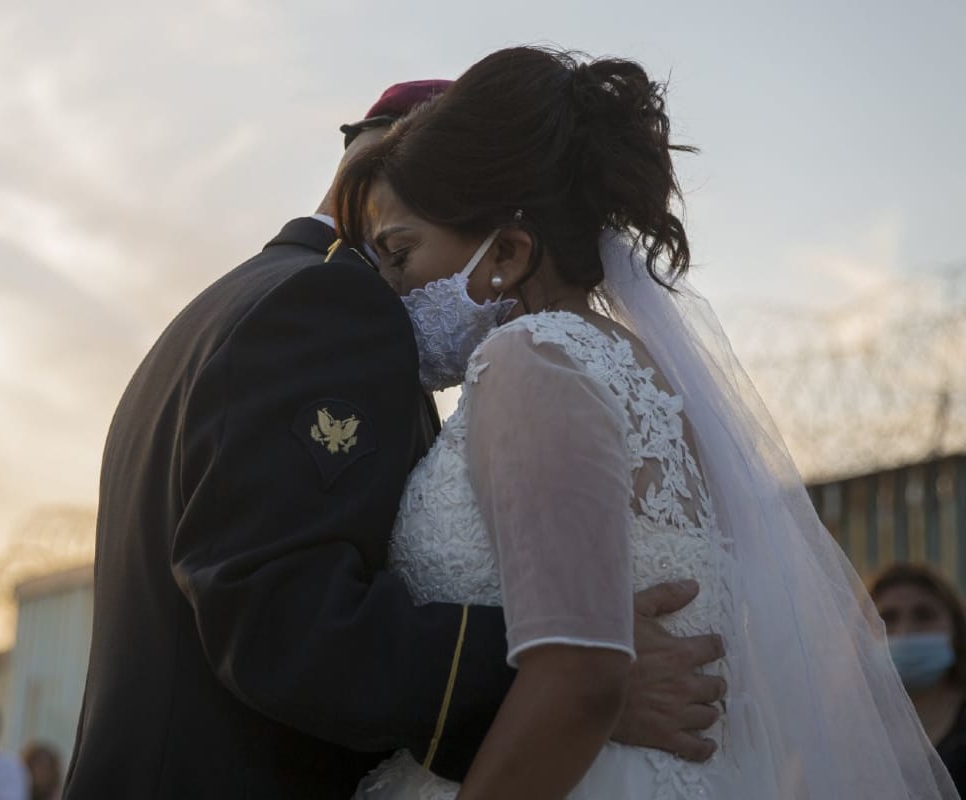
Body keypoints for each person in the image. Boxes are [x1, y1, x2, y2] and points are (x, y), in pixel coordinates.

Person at [62, 80, 726, 798]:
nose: (399, 282)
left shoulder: (236, 300)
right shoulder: (330, 303)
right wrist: (560, 677)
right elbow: (279, 612)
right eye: (394, 250)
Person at [335, 46, 958, 798]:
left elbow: (581, 677)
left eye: (402, 254)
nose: (393, 287)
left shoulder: (532, 360)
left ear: (505, 250)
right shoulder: (638, 375)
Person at [872, 562, 966, 791]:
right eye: (888, 618)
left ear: (955, 630)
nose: (906, 632)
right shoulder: (845, 726)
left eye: (924, 615)